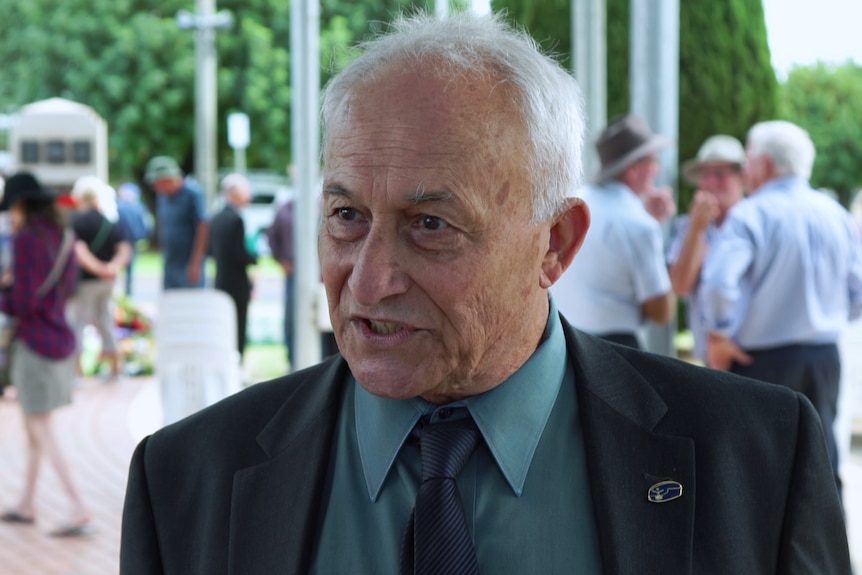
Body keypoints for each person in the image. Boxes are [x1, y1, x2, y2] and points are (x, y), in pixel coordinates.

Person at [120, 13, 851, 573]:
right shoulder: (185, 479)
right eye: (348, 217)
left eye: (431, 224)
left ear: (555, 244)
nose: (369, 279)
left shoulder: (757, 459)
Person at [701, 120, 862, 498]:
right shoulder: (835, 213)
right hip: (823, 357)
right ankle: (830, 557)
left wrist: (719, 334)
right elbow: (857, 290)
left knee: (760, 472)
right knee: (821, 464)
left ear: (767, 164)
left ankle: (762, 559)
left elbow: (720, 282)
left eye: (750, 159)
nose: (745, 168)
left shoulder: (752, 214)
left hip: (762, 362)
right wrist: (829, 317)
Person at [0, 172, 93, 536]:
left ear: (23, 204)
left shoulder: (25, 241)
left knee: (41, 427)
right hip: (59, 340)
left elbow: (22, 302)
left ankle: (80, 507)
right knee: (34, 426)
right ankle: (27, 502)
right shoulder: (66, 237)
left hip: (35, 344)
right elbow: (67, 288)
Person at [551, 114, 677, 349]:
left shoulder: (572, 202)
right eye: (652, 161)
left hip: (561, 341)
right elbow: (661, 311)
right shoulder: (639, 224)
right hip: (615, 348)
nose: (657, 169)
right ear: (633, 169)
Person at [666, 135, 746, 363]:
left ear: (741, 177)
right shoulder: (687, 226)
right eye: (705, 175)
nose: (711, 182)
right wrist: (696, 230)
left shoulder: (757, 222)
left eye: (720, 174)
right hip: (709, 357)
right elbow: (680, 286)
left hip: (752, 354)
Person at [67, 176, 131, 381]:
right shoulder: (108, 221)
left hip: (86, 282)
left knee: (78, 324)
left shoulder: (76, 221)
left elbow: (79, 251)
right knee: (106, 322)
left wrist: (97, 269)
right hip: (108, 282)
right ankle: (116, 369)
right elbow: (124, 249)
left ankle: (77, 373)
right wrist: (111, 268)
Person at [208, 173, 257, 358]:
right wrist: (254, 258)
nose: (248, 197)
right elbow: (238, 253)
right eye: (245, 192)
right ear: (234, 193)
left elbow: (211, 250)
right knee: (238, 327)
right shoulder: (236, 220)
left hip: (221, 281)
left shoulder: (217, 217)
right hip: (237, 283)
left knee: (224, 328)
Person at [144, 156, 208, 289]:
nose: (155, 187)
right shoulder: (163, 196)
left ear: (168, 179)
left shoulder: (193, 194)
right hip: (170, 261)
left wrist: (196, 263)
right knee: (171, 301)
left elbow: (203, 226)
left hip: (188, 262)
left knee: (189, 302)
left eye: (157, 183)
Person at [265, 198, 295, 366]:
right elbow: (271, 237)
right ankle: (291, 358)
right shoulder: (285, 209)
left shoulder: (317, 205)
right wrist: (281, 260)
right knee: (292, 317)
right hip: (293, 273)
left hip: (318, 274)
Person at [116, 182, 152, 296]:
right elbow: (148, 225)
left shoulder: (118, 206)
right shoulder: (139, 208)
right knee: (129, 269)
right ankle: (128, 292)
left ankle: (120, 293)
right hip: (133, 242)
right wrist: (143, 237)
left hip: (120, 241)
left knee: (117, 265)